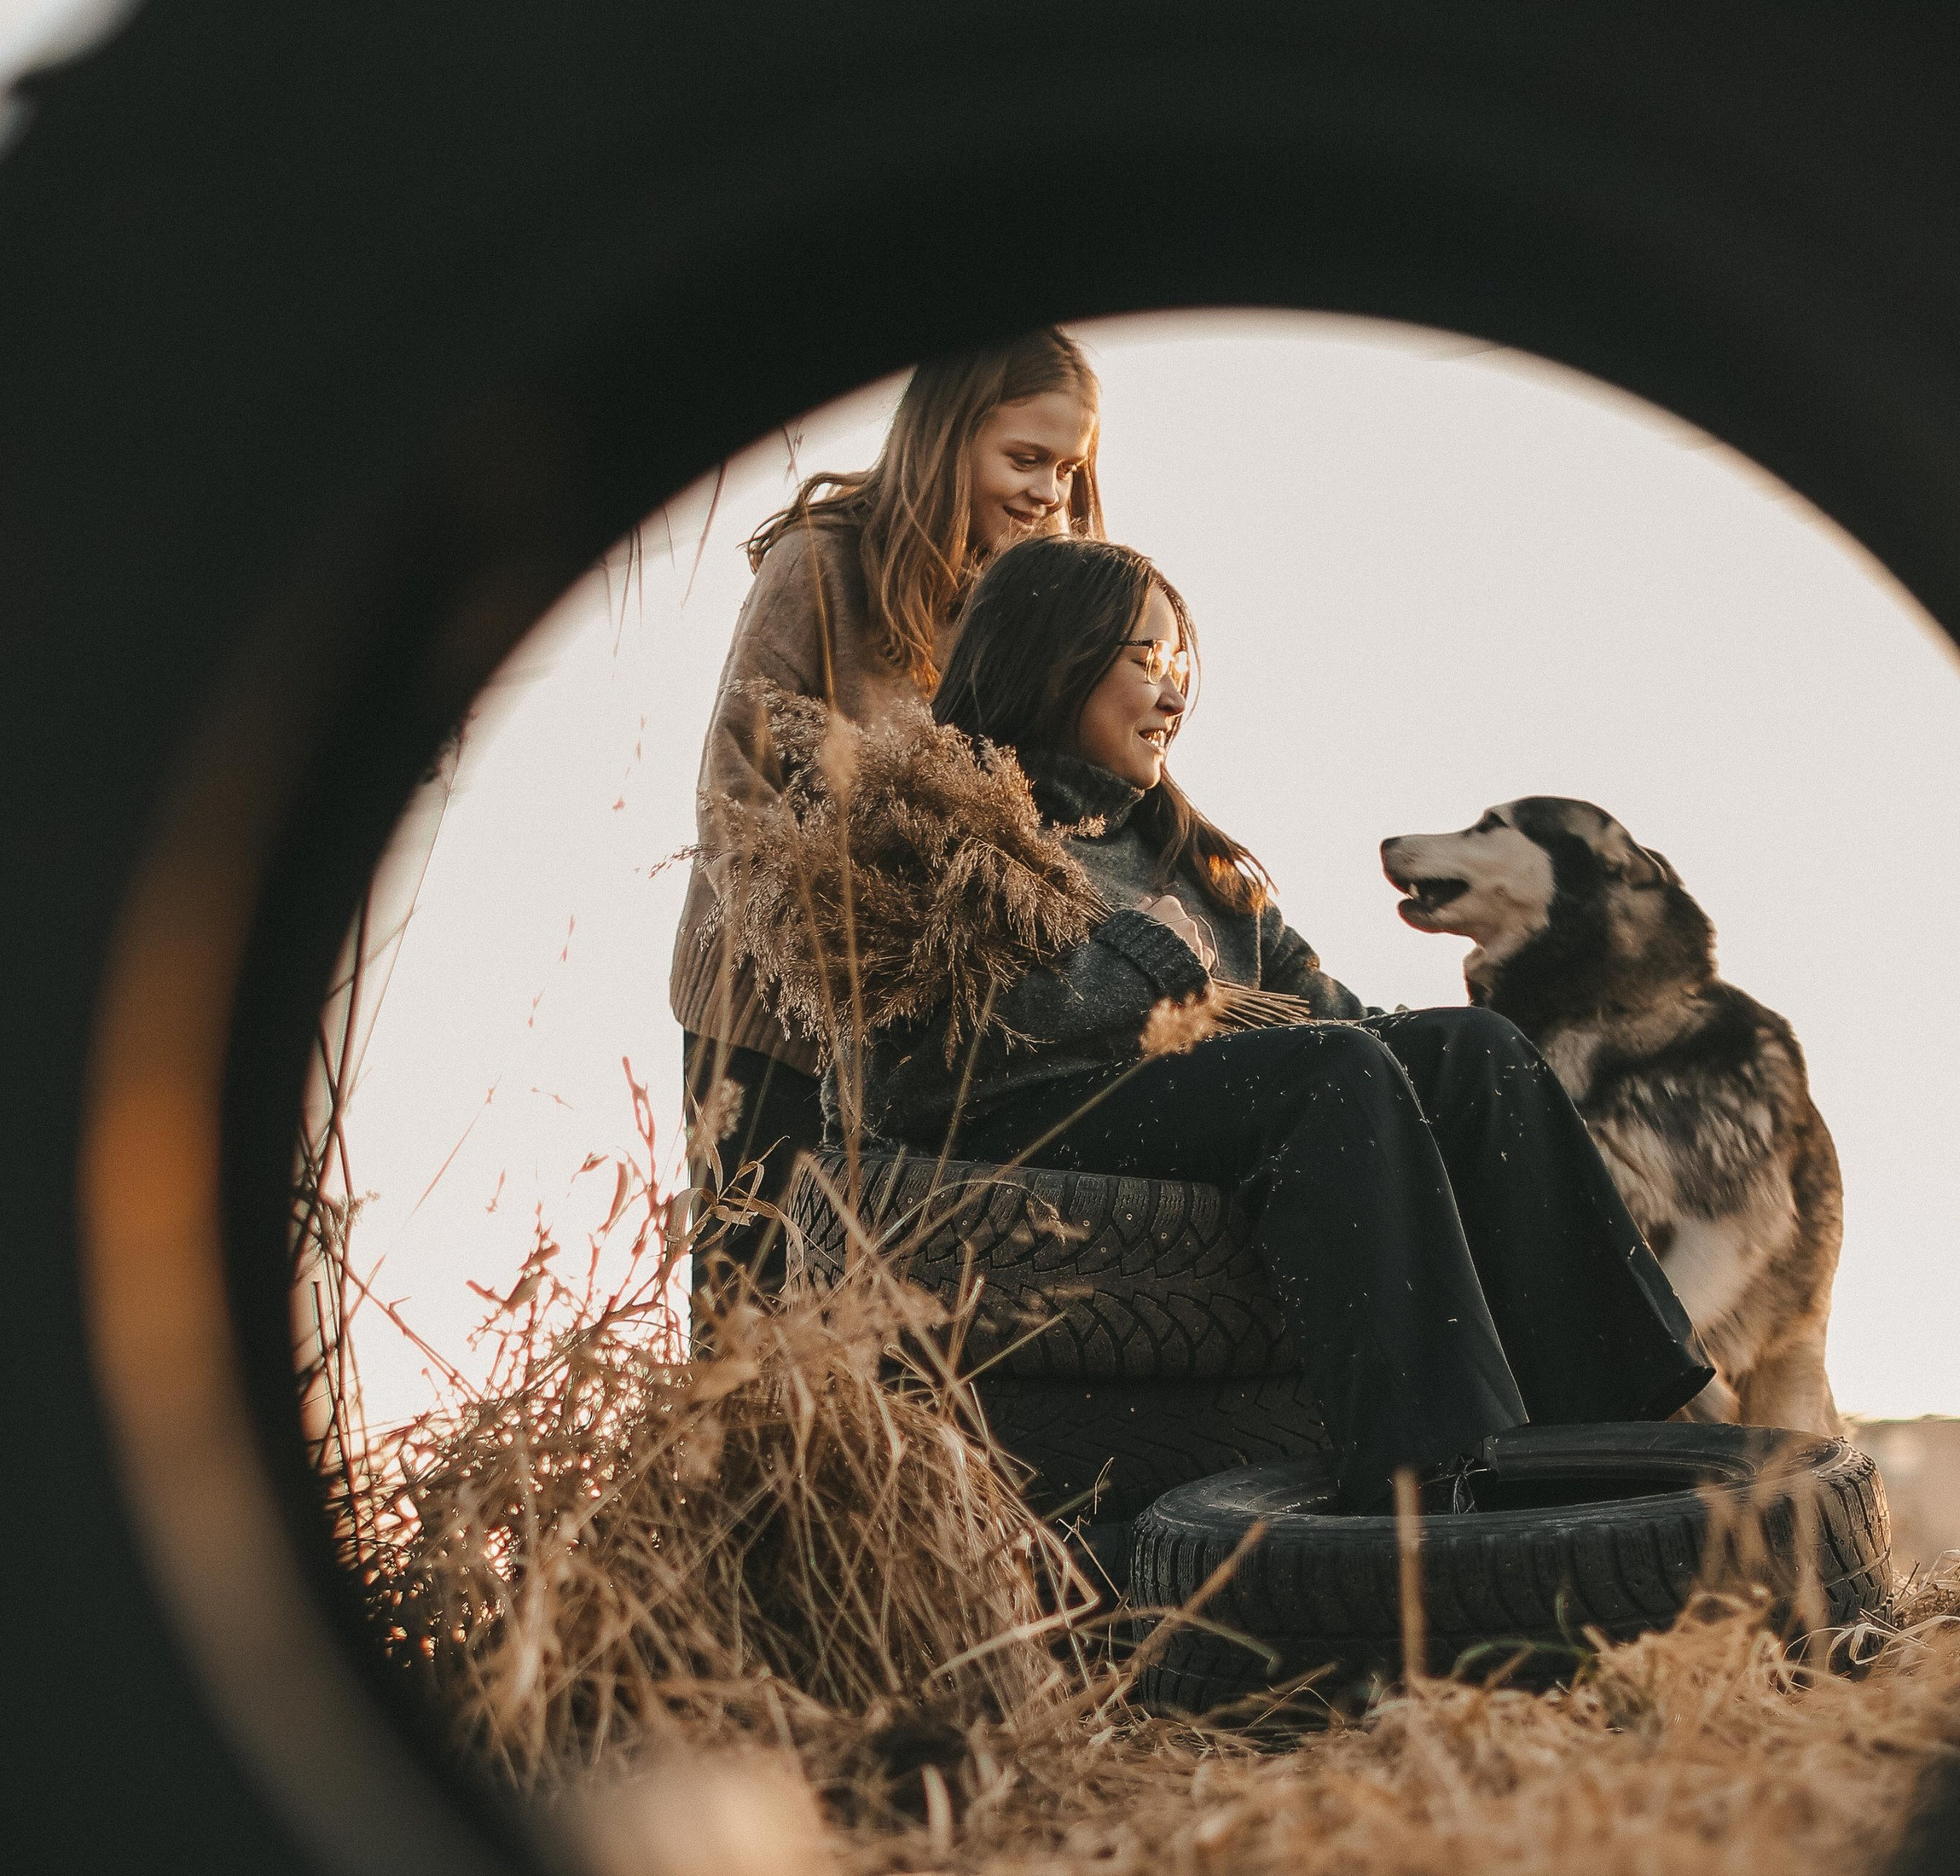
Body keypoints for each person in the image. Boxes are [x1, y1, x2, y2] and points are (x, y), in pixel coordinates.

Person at [727, 535, 1710, 1509]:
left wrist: (1432, 1054)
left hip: (1186, 1103)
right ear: (1051, 656)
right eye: (1144, 662)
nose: (1174, 693)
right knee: (1327, 1074)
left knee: (1469, 1050)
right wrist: (1142, 969)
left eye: (1178, 663)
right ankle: (1440, 1481)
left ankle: (1621, 1426)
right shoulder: (935, 812)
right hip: (1009, 1135)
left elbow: (1323, 1014)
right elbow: (918, 1044)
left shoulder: (1183, 851)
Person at [673, 328, 1102, 1292]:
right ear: (944, 441)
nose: (1048, 493)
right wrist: (826, 958)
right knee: (754, 1296)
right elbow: (735, 794)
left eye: (1068, 470)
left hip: (926, 1036)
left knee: (893, 1312)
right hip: (768, 1012)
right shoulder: (820, 567)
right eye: (1024, 459)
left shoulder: (1023, 612)